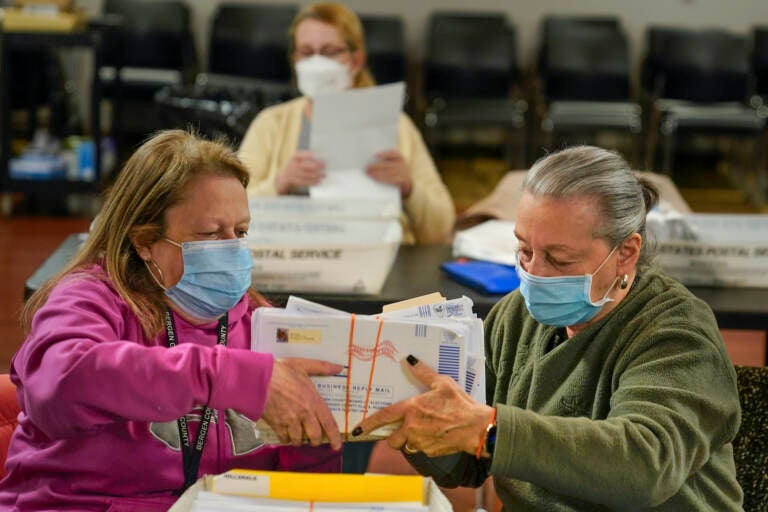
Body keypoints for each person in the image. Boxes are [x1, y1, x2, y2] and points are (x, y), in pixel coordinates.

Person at [353, 146, 744, 510]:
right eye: (524, 249)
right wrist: (417, 419)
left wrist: (489, 430)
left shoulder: (677, 333)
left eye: (558, 258)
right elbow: (467, 468)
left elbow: (645, 463)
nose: (534, 274)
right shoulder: (515, 316)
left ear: (626, 253)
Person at [0, 130, 344, 511]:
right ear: (145, 241)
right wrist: (226, 375)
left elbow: (303, 490)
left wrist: (319, 434)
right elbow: (60, 385)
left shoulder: (260, 322)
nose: (231, 249)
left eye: (240, 232)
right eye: (211, 234)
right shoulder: (88, 298)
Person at [237, 2, 455, 245]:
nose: (317, 62)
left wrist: (409, 188)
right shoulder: (271, 124)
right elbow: (232, 218)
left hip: (380, 257)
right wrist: (280, 184)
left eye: (330, 51)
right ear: (295, 60)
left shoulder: (396, 126)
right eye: (307, 52)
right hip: (298, 258)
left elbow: (441, 229)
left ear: (356, 60)